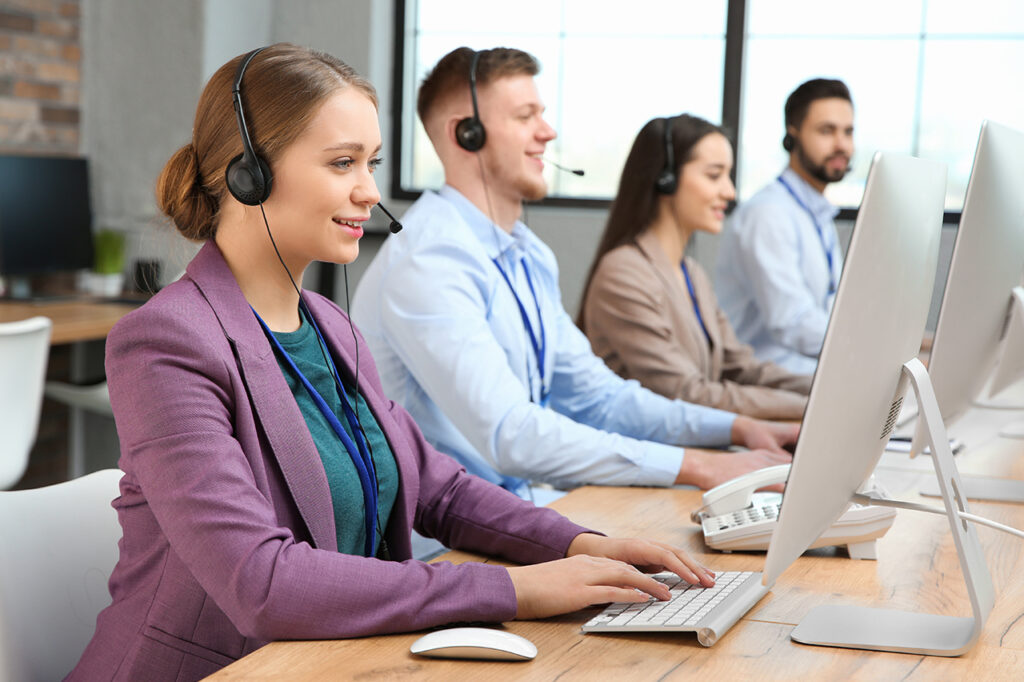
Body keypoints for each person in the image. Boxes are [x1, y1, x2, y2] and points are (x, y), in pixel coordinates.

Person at [69, 44, 719, 681]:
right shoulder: (166, 343)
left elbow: (439, 488)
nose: (370, 192)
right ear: (250, 172)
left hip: (333, 660)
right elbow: (259, 580)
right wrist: (513, 590)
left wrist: (579, 544)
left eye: (372, 162)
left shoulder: (329, 326)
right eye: (343, 163)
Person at [352, 46, 797, 500]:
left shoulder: (528, 256)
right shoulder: (429, 261)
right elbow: (512, 435)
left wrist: (741, 426)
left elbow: (602, 398)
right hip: (440, 546)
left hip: (519, 506)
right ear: (466, 133)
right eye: (526, 116)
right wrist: (698, 465)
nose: (548, 132)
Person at [579, 114, 812, 421]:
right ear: (667, 179)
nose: (729, 192)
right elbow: (688, 394)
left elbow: (742, 367)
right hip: (650, 455)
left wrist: (824, 388)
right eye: (714, 176)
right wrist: (810, 409)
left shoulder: (692, 274)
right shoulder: (623, 274)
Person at [715, 78, 854, 375]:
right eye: (826, 131)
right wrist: (872, 354)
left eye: (848, 132)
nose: (841, 144)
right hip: (766, 378)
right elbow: (792, 321)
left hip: (807, 371)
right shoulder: (769, 214)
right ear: (793, 135)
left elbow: (827, 315)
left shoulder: (815, 213)